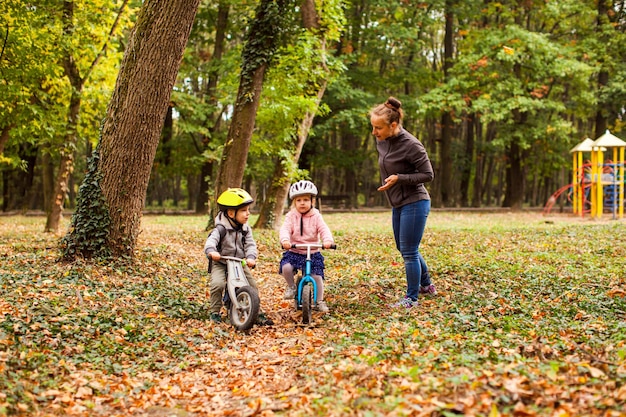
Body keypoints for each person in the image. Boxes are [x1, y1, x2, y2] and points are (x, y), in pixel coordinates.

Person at [369, 96, 437, 309]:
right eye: (372, 127)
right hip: (398, 202)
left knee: (408, 251)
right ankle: (426, 285)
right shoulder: (382, 140)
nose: (374, 132)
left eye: (378, 128)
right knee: (405, 247)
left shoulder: (412, 145)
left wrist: (400, 178)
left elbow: (428, 174)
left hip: (415, 201)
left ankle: (412, 298)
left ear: (394, 125)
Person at [204, 188, 272, 325]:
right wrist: (212, 252)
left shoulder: (245, 228)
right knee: (217, 284)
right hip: (221, 262)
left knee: (252, 285)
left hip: (239, 262)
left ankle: (255, 311)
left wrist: (251, 257)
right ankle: (215, 312)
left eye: (248, 210)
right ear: (231, 213)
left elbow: (250, 245)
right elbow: (210, 241)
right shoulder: (220, 228)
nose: (248, 214)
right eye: (243, 210)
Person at [279, 180, 335, 313]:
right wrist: (285, 240)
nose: (302, 203)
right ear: (294, 202)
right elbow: (285, 229)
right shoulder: (291, 216)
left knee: (317, 277)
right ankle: (292, 287)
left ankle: (319, 301)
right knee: (286, 267)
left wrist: (327, 240)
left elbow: (324, 229)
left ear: (312, 202)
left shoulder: (316, 216)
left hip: (312, 251)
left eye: (305, 199)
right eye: (299, 200)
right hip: (294, 250)